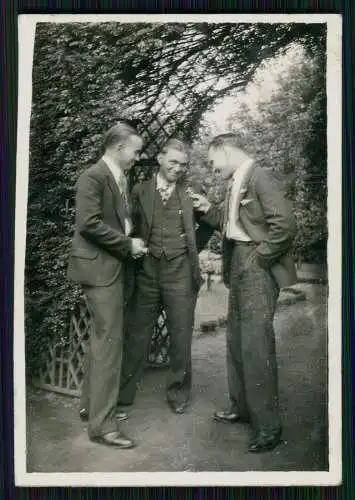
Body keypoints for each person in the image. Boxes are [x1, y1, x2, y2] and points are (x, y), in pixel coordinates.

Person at [191, 133, 297, 453]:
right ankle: (241, 408)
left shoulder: (260, 176)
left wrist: (259, 259)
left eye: (212, 162)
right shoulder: (236, 180)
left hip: (255, 263)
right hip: (238, 261)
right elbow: (232, 223)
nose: (212, 169)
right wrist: (209, 207)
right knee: (236, 340)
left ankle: (268, 427)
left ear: (226, 151)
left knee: (255, 344)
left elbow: (286, 226)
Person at [67, 122, 147, 449]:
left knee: (103, 341)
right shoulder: (94, 176)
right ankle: (103, 426)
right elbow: (87, 224)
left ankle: (90, 407)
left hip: (111, 269)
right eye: (135, 151)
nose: (138, 157)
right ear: (117, 148)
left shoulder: (118, 177)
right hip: (101, 271)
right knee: (109, 344)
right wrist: (128, 245)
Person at [119, 138, 203, 414]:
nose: (178, 169)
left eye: (183, 165)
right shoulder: (140, 190)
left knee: (180, 335)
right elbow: (128, 228)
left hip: (180, 273)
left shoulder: (191, 193)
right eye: (173, 162)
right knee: (136, 334)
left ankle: (178, 394)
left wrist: (191, 245)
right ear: (160, 159)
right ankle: (123, 395)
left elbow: (213, 222)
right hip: (147, 272)